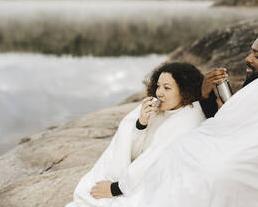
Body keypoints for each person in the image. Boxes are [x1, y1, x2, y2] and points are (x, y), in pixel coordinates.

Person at [106, 28, 258, 207]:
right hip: (250, 148)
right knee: (182, 150)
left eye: (257, 55)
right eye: (251, 51)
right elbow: (234, 118)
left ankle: (132, 189)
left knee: (209, 170)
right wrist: (205, 94)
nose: (248, 59)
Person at [66, 62, 206, 207]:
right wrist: (142, 123)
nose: (159, 92)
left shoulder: (188, 118)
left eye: (167, 88)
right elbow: (133, 153)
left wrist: (115, 188)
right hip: (134, 174)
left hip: (158, 182)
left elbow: (154, 161)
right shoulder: (157, 109)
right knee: (87, 191)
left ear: (185, 90)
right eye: (158, 86)